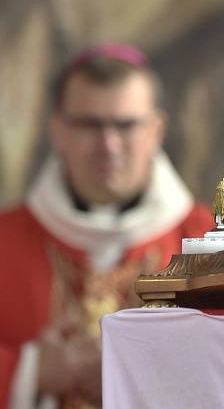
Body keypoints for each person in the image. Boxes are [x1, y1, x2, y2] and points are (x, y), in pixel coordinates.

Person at [0, 43, 213, 408]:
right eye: (89, 124)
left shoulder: (208, 238)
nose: (108, 144)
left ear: (155, 130)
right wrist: (31, 370)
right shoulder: (6, 240)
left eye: (126, 124)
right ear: (58, 130)